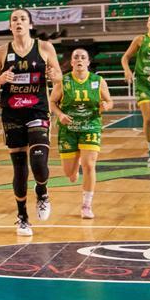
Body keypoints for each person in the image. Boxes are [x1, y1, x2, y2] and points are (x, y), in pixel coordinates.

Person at [0, 8, 62, 236]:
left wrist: (53, 75)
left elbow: (59, 77)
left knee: (39, 166)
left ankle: (42, 191)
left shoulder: (45, 48)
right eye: (14, 19)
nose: (18, 22)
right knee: (19, 170)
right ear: (10, 26)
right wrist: (0, 79)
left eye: (22, 19)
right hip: (12, 114)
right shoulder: (1, 51)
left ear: (29, 24)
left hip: (37, 111)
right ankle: (22, 217)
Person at [49, 47, 113, 219]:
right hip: (68, 130)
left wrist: (106, 105)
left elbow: (109, 100)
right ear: (71, 62)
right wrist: (60, 114)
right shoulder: (63, 82)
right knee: (69, 174)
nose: (79, 60)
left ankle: (86, 205)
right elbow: (52, 102)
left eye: (83, 57)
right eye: (76, 57)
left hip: (90, 126)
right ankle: (74, 165)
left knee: (90, 165)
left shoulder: (98, 81)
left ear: (88, 62)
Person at [121, 13, 150, 167]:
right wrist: (127, 70)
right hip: (142, 82)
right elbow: (125, 57)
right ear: (147, 24)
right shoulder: (140, 39)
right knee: (147, 119)